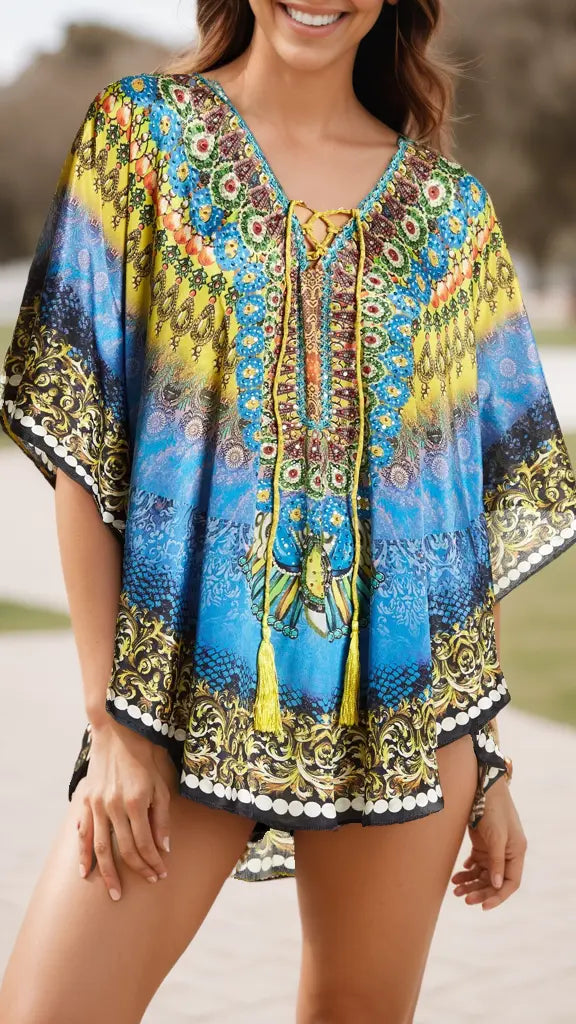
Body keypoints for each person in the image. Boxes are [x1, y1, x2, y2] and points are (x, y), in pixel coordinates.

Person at [1, 0, 575, 1020]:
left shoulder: (450, 217)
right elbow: (86, 445)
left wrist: (488, 760)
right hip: (178, 695)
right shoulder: (142, 143)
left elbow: (464, 516)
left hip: (406, 716)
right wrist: (111, 727)